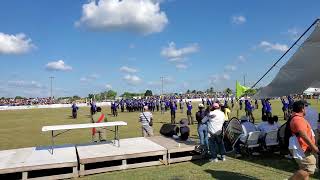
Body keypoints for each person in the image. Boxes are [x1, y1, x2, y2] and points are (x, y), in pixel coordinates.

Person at [289, 101, 319, 180]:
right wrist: (314, 148)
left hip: (303, 147)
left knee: (304, 168)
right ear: (302, 109)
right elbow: (303, 135)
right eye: (305, 108)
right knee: (309, 168)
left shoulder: (297, 118)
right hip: (302, 147)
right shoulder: (298, 119)